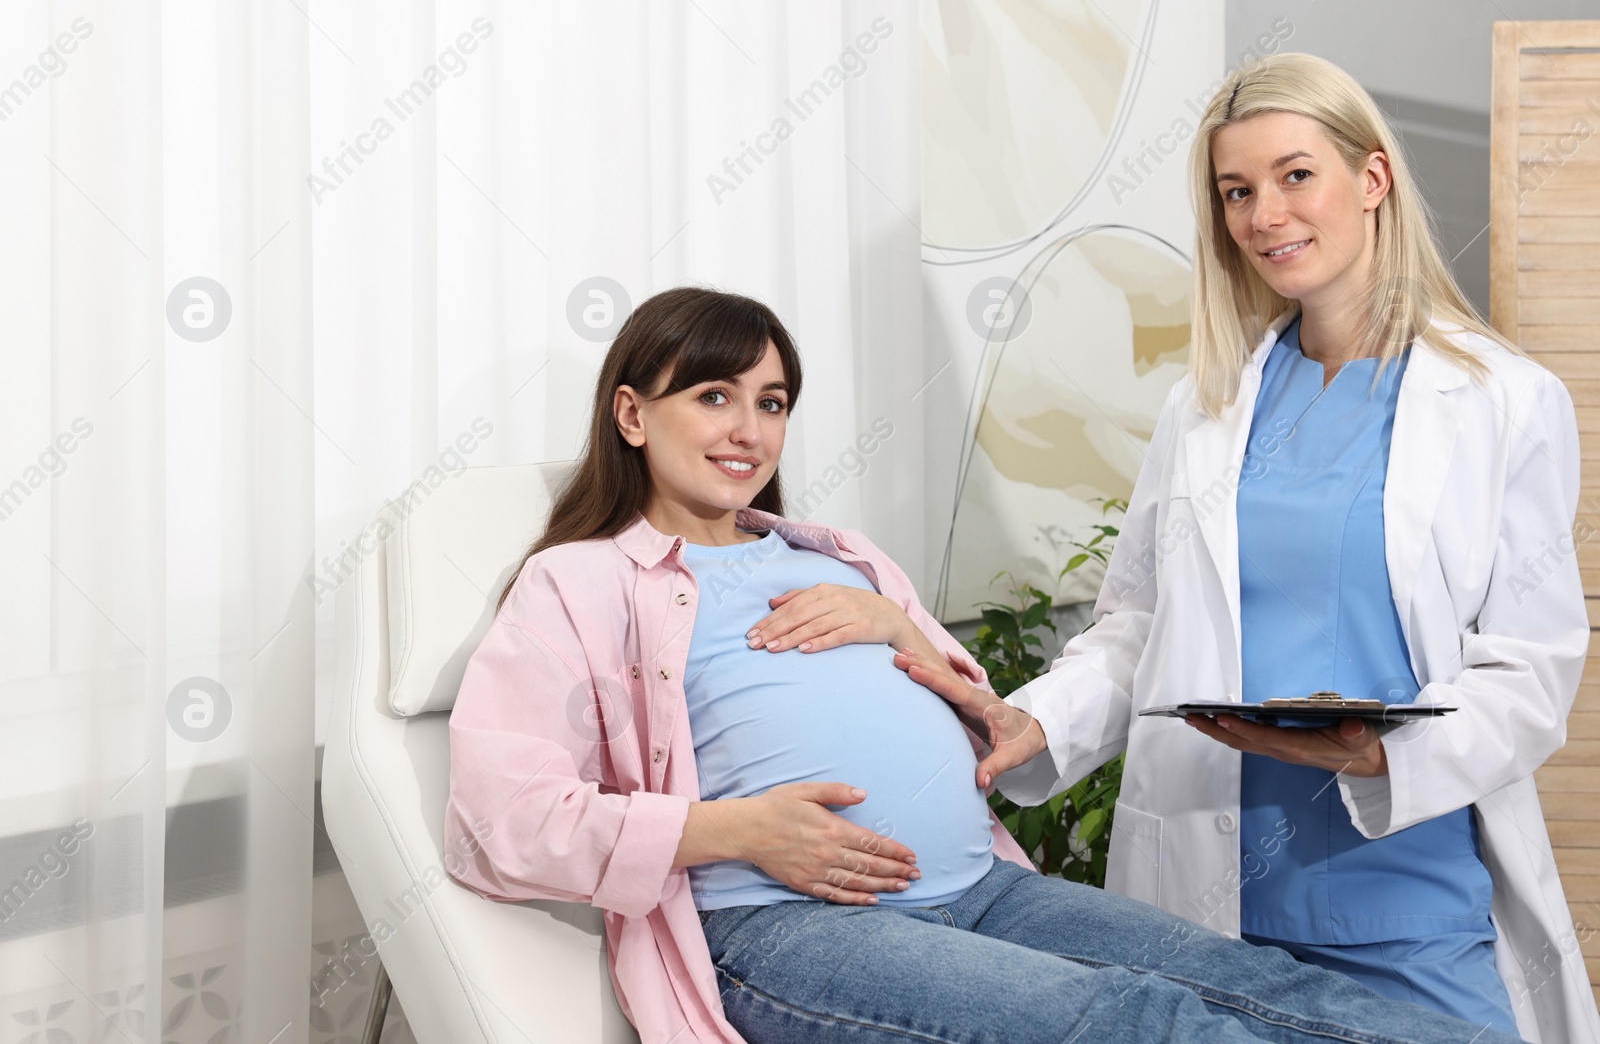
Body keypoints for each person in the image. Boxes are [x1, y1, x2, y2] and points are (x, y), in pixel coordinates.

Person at [444, 285, 1526, 1043]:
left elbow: (987, 731)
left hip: (982, 888)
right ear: (631, 412)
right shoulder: (578, 583)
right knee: (1144, 1026)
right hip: (781, 927)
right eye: (712, 396)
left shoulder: (841, 555)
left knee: (1258, 983)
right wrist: (729, 827)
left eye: (770, 401)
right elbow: (500, 813)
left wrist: (902, 630)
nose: (748, 429)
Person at [897, 53, 1598, 1043]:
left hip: (1410, 886)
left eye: (1293, 175)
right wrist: (1032, 723)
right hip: (1214, 901)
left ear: (1371, 179)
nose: (1263, 213)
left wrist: (1381, 750)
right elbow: (1137, 625)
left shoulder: (1500, 398)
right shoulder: (1207, 405)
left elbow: (1532, 665)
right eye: (1236, 190)